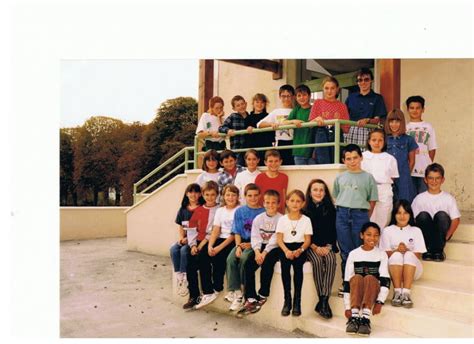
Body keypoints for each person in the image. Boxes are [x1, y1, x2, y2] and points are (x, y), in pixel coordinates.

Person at [333, 144, 378, 296]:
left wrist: (364, 217)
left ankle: (360, 283)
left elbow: (372, 201)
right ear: (343, 160)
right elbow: (337, 196)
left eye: (355, 158)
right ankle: (346, 283)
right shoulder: (340, 178)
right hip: (342, 215)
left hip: (360, 215)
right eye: (348, 158)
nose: (352, 161)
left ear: (361, 158)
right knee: (346, 251)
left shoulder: (368, 178)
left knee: (360, 250)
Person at [195, 184, 239, 309]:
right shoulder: (220, 210)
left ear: (237, 197)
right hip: (220, 238)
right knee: (203, 255)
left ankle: (217, 287)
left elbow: (234, 233)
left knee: (219, 258)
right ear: (223, 196)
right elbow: (216, 229)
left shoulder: (239, 210)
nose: (230, 198)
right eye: (228, 195)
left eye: (233, 195)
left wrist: (218, 248)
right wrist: (210, 245)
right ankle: (207, 292)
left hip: (232, 240)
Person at [239, 189, 283, 315]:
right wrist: (257, 252)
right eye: (267, 202)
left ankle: (263, 294)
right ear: (263, 203)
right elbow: (255, 237)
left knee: (267, 263)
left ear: (278, 204)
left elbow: (275, 238)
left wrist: (264, 253)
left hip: (274, 247)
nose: (270, 205)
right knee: (248, 264)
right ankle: (251, 297)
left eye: (273, 203)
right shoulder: (259, 218)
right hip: (260, 246)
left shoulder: (281, 219)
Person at [343, 222, 390, 336]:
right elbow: (347, 281)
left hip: (372, 289)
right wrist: (347, 306)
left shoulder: (382, 254)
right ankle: (354, 318)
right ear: (361, 235)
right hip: (357, 288)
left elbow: (385, 280)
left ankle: (365, 318)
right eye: (368, 234)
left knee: (369, 277)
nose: (372, 238)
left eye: (376, 235)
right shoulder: (353, 254)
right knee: (357, 277)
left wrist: (380, 302)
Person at [379, 200, 427, 309]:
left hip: (412, 270)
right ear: (394, 215)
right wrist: (397, 251)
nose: (402, 216)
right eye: (399, 213)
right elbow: (385, 254)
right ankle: (397, 292)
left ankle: (406, 293)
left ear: (410, 214)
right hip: (393, 268)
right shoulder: (387, 230)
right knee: (396, 256)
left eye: (405, 213)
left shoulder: (416, 230)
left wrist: (406, 250)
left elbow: (418, 255)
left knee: (409, 255)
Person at [225, 184, 265, 311]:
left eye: (255, 195)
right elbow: (237, 231)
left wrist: (252, 244)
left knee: (244, 258)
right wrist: (237, 246)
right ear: (245, 197)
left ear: (259, 196)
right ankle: (236, 291)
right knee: (231, 258)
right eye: (249, 196)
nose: (253, 198)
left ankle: (243, 289)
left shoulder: (263, 212)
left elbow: (264, 234)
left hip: (256, 243)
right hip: (241, 242)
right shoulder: (240, 211)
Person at [412, 163, 461, 262]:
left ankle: (438, 251)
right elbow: (413, 219)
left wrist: (447, 236)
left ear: (442, 180)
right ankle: (428, 250)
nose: (434, 181)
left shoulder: (448, 198)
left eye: (437, 178)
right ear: (425, 180)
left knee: (442, 215)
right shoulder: (419, 198)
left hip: (441, 233)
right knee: (423, 216)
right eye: (430, 178)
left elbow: (456, 219)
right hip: (425, 234)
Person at [304, 179, 338, 319]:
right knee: (317, 262)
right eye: (315, 189)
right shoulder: (304, 210)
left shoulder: (332, 209)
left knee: (331, 260)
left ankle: (324, 301)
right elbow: (303, 233)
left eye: (321, 190)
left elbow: (334, 231)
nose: (318, 192)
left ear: (325, 192)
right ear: (310, 192)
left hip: (327, 245)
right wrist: (315, 247)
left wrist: (328, 247)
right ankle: (323, 300)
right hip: (310, 246)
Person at [183, 181, 220, 309]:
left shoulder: (219, 210)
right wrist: (193, 245)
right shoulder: (199, 210)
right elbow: (192, 228)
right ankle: (194, 295)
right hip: (198, 241)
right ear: (203, 195)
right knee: (190, 263)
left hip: (212, 240)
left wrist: (203, 243)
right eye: (207, 194)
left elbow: (216, 229)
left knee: (204, 260)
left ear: (217, 195)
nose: (210, 197)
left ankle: (208, 291)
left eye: (213, 194)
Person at [276, 190, 312, 317]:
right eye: (292, 201)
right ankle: (287, 301)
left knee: (298, 270)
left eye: (298, 201)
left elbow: (307, 240)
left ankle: (297, 302)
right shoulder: (282, 219)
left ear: (303, 203)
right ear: (287, 202)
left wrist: (300, 250)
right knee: (285, 270)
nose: (295, 204)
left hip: (300, 247)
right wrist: (286, 251)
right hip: (285, 247)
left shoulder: (306, 220)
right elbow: (279, 239)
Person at [169, 183, 204, 297]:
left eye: (196, 192)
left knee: (184, 250)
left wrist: (189, 241)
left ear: (200, 194)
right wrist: (181, 238)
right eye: (190, 192)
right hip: (185, 238)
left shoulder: (202, 208)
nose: (193, 194)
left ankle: (185, 276)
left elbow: (202, 229)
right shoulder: (183, 209)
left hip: (196, 240)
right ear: (186, 194)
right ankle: (179, 275)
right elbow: (180, 226)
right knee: (174, 249)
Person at [361, 129, 399, 230]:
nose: (377, 143)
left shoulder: (390, 159)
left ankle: (380, 245)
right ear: (369, 141)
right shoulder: (362, 157)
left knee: (383, 222)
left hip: (384, 191)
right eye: (374, 140)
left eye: (380, 140)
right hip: (367, 191)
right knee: (368, 222)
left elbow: (393, 177)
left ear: (384, 142)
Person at [309, 76, 350, 164]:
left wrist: (335, 124)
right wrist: (316, 119)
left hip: (336, 136)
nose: (329, 91)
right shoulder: (317, 103)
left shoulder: (342, 106)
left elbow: (346, 128)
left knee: (335, 130)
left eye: (332, 88)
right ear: (322, 89)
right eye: (326, 88)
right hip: (321, 136)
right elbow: (310, 124)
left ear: (337, 89)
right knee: (321, 130)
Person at [345, 68, 387, 148]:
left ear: (371, 81)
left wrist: (368, 120)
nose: (363, 82)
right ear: (357, 82)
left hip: (369, 131)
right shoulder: (351, 98)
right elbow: (344, 116)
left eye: (366, 79)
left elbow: (378, 119)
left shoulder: (377, 98)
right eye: (360, 80)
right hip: (351, 132)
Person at [405, 95, 438, 195]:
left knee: (423, 197)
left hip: (424, 170)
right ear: (407, 109)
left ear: (423, 109)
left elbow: (432, 148)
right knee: (410, 198)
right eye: (412, 108)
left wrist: (427, 163)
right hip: (408, 169)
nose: (415, 110)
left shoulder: (428, 127)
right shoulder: (405, 127)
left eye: (418, 108)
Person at [385, 109, 418, 203]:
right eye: (391, 121)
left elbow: (412, 161)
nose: (394, 124)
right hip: (388, 175)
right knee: (388, 201)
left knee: (404, 201)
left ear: (402, 122)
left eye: (397, 121)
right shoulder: (384, 139)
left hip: (403, 175)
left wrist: (406, 175)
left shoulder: (409, 140)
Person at [257, 84, 295, 165]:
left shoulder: (296, 111)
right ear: (280, 97)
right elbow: (259, 124)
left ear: (293, 97)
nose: (286, 98)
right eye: (283, 96)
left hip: (294, 142)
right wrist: (271, 124)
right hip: (280, 143)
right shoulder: (276, 111)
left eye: (288, 96)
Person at [282, 84, 315, 165]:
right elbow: (284, 122)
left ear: (309, 95)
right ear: (296, 98)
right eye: (299, 95)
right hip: (298, 151)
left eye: (304, 95)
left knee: (314, 176)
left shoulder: (314, 109)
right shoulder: (296, 110)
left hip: (312, 151)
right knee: (301, 176)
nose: (302, 97)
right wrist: (293, 121)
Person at [219, 95, 252, 165]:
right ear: (234, 108)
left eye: (242, 104)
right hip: (238, 150)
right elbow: (221, 128)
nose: (241, 106)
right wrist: (228, 130)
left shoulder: (251, 117)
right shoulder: (233, 117)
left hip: (249, 149)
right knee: (239, 169)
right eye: (238, 105)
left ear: (246, 104)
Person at [254, 149, 288, 214]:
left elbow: (283, 197)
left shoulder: (284, 177)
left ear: (280, 162)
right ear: (265, 162)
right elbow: (257, 197)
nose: (273, 164)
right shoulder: (260, 177)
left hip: (278, 213)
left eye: (276, 161)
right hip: (262, 213)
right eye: (270, 161)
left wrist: (283, 214)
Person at [245, 93, 274, 164]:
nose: (259, 104)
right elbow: (245, 134)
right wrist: (248, 128)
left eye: (262, 102)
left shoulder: (269, 116)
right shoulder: (248, 118)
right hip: (253, 148)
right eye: (257, 102)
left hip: (265, 147)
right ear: (253, 103)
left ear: (265, 104)